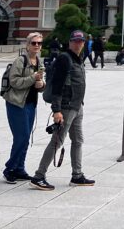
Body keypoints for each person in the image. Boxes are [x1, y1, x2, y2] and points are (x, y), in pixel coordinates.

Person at [29, 30, 95, 191]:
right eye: (75, 41)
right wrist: (56, 110)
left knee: (78, 140)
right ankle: (39, 176)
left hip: (77, 106)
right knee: (57, 141)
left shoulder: (78, 59)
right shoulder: (64, 59)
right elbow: (57, 86)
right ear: (70, 42)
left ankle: (77, 175)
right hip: (65, 107)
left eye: (81, 41)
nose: (78, 44)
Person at [3, 32, 45, 183]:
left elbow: (39, 84)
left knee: (25, 138)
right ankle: (10, 168)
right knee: (22, 137)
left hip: (30, 103)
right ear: (27, 45)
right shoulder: (20, 61)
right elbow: (14, 82)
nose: (37, 45)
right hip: (16, 103)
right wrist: (32, 78)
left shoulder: (39, 62)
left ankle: (20, 168)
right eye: (33, 43)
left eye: (39, 43)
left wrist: (41, 85)